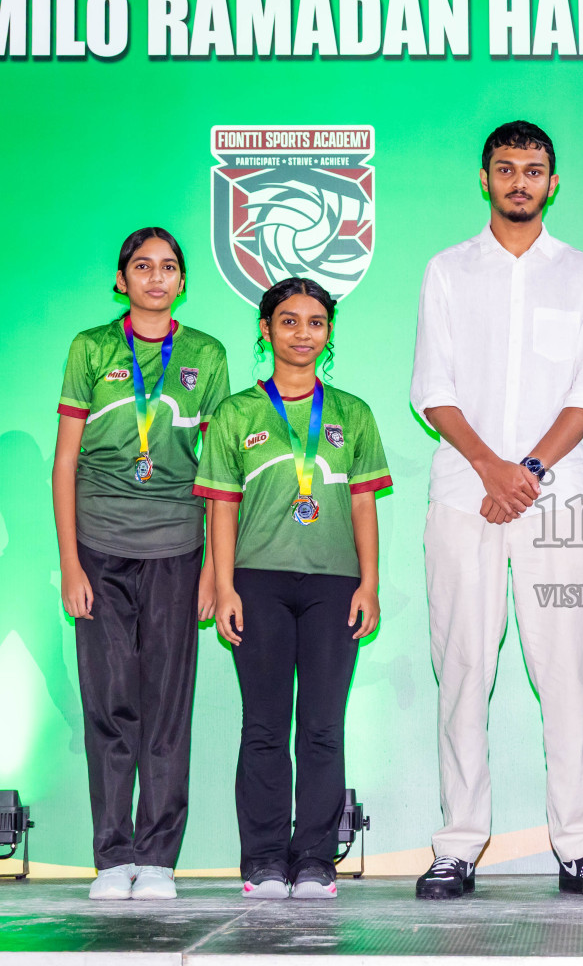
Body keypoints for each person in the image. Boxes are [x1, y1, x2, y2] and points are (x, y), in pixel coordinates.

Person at [409, 121, 583, 900]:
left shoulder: (582, 273)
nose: (519, 182)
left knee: (567, 673)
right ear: (485, 178)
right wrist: (490, 467)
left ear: (552, 183)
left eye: (533, 170)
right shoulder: (447, 270)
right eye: (505, 169)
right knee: (463, 670)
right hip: (463, 494)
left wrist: (527, 472)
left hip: (555, 497)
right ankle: (458, 845)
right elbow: (432, 388)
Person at [197, 277, 392, 900]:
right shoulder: (236, 413)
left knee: (322, 727)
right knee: (263, 726)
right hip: (257, 583)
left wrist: (370, 583)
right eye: (289, 321)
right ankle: (262, 860)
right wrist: (224, 585)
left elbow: (363, 504)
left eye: (315, 322)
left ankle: (314, 859)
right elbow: (221, 508)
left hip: (335, 586)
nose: (303, 333)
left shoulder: (352, 413)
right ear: (266, 329)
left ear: (328, 333)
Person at [52, 227, 229, 900]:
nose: (157, 277)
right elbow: (65, 462)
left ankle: (156, 859)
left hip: (178, 550)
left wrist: (213, 570)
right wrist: (70, 564)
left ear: (182, 281)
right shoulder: (91, 348)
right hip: (99, 549)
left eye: (169, 267)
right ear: (121, 280)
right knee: (110, 704)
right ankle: (112, 856)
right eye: (143, 266)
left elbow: (218, 472)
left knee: (166, 707)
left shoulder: (206, 355)